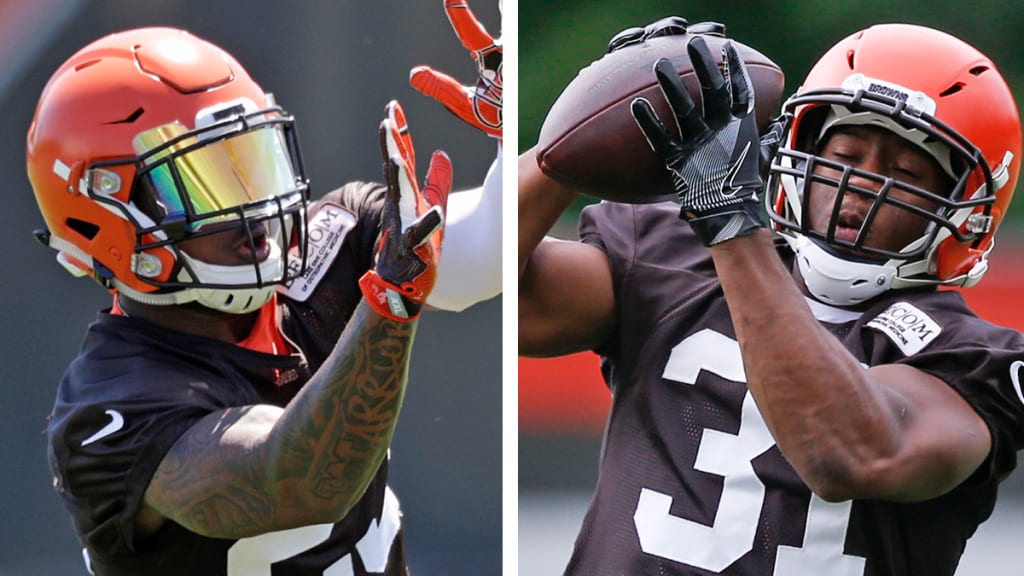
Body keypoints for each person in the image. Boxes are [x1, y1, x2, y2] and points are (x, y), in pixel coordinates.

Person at [519, 18, 1024, 575]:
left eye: (905, 172)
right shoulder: (679, 255)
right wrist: (579, 132)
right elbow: (515, 307)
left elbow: (849, 453)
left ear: (970, 212)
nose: (860, 187)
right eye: (846, 156)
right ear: (795, 146)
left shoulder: (976, 360)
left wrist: (732, 225)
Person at [30, 4, 501, 574]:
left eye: (252, 164)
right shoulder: (110, 407)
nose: (255, 217)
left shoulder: (328, 247)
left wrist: (518, 126)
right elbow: (302, 482)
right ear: (106, 215)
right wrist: (389, 303)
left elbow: (480, 257)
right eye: (206, 186)